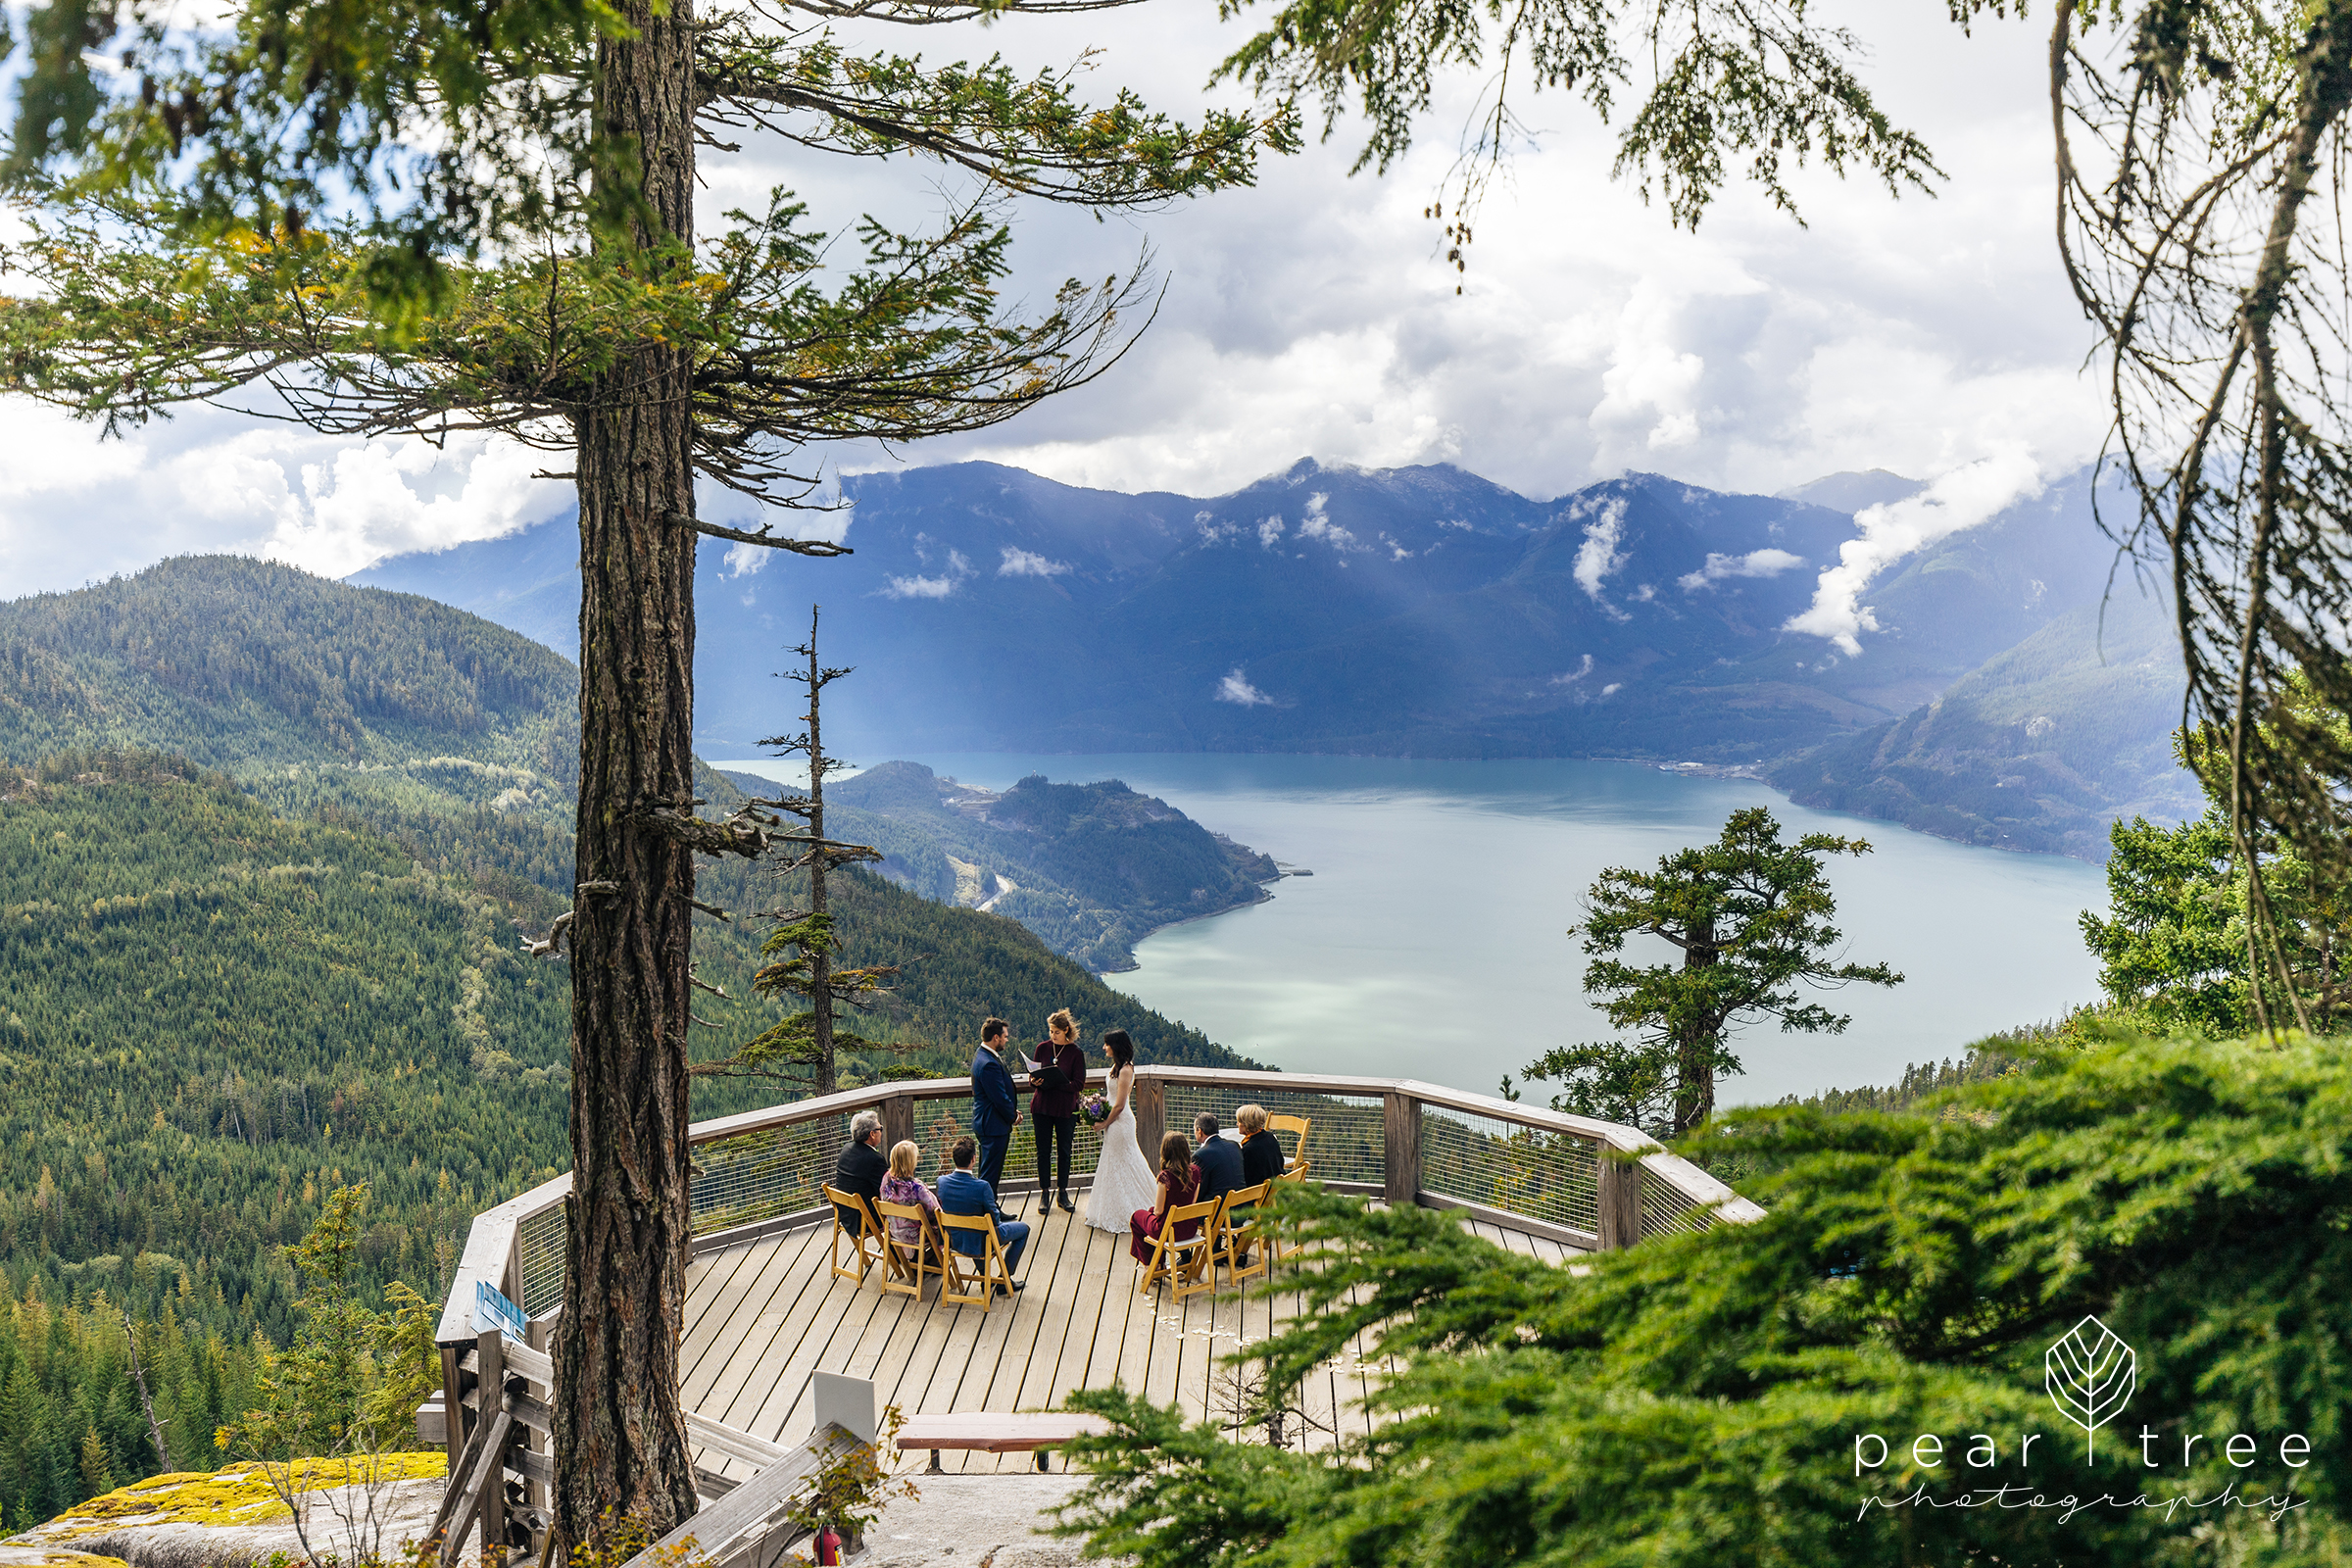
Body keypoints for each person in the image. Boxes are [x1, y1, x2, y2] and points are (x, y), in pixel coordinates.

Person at [1082, 1030, 1159, 1239]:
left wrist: (1104, 1123)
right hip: (1113, 1121)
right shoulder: (1116, 1067)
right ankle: (1113, 1205)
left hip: (1120, 1122)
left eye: (1107, 1044)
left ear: (1116, 1046)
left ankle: (1136, 1207)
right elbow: (1111, 1097)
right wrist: (1096, 1105)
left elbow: (1120, 1104)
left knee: (1124, 1161)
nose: (1104, 1048)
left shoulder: (1126, 1070)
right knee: (1113, 1163)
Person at [937, 1134, 1028, 1291]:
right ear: (973, 1159)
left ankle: (986, 1278)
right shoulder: (982, 1187)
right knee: (1024, 1229)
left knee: (977, 1229)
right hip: (980, 1241)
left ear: (954, 1159)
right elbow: (994, 1219)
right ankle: (1004, 1280)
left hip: (955, 1239)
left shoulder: (942, 1182)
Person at [1026, 1007, 1089, 1218]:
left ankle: (1063, 1192)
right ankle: (1044, 1193)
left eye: (1056, 1032)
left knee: (1064, 1151)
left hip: (1065, 1109)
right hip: (1042, 1107)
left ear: (1066, 1031)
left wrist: (1056, 1083)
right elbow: (1032, 1076)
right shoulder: (1042, 1048)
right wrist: (1035, 1081)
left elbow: (1079, 1083)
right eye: (1050, 1031)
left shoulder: (1076, 1053)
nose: (1052, 1036)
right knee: (1043, 1152)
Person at [1130, 1130, 1202, 1266]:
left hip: (1169, 1231)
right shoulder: (1196, 1171)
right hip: (1189, 1228)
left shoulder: (1165, 1177)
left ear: (1166, 1151)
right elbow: (1192, 1203)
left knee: (1137, 1217)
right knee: (1150, 1211)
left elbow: (1158, 1211)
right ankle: (1157, 1263)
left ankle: (1151, 1265)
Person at [969, 1016, 1019, 1197]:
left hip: (989, 1122)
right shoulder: (989, 1063)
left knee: (989, 1171)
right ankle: (989, 1213)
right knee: (990, 1173)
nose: (1006, 1039)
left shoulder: (983, 1055)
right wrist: (1013, 1116)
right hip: (992, 1124)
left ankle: (991, 1208)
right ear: (996, 1037)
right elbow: (999, 1097)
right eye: (1005, 1036)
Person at [877, 1139, 943, 1254]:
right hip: (917, 1236)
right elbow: (935, 1214)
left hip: (894, 1232)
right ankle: (932, 1261)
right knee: (945, 1229)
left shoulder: (886, 1179)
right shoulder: (917, 1188)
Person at [831, 1109, 888, 1236]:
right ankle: (903, 1254)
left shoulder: (846, 1149)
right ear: (872, 1134)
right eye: (880, 1128)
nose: (881, 1132)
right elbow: (886, 1191)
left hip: (846, 1215)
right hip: (865, 1220)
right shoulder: (875, 1159)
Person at [1190, 1110, 1243, 1206]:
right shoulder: (1234, 1145)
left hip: (1218, 1211)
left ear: (1200, 1131)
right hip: (1240, 1207)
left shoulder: (1201, 1155)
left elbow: (1199, 1191)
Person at [1237, 1103, 1286, 1189]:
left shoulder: (1249, 1149)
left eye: (1239, 1122)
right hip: (1276, 1187)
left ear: (1246, 1124)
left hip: (1261, 1194)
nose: (1237, 1124)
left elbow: (1246, 1180)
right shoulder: (1270, 1137)